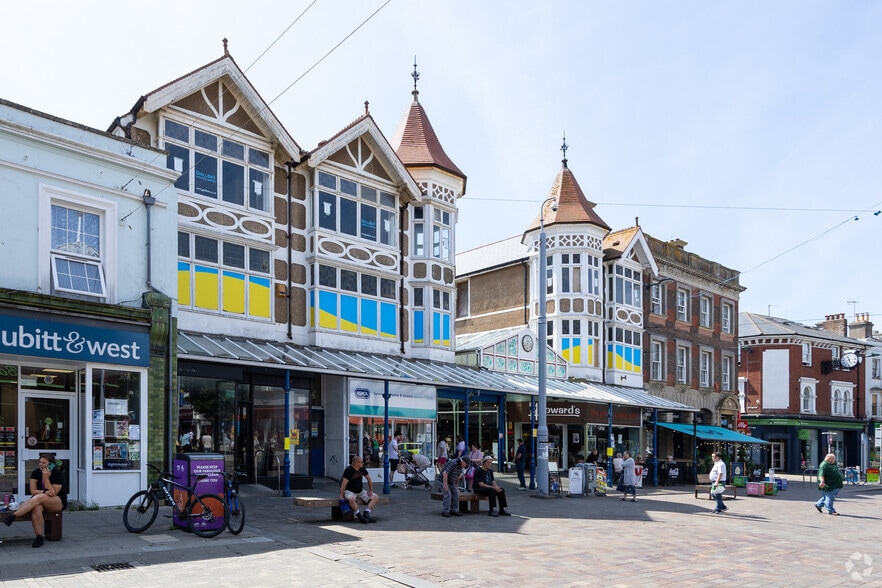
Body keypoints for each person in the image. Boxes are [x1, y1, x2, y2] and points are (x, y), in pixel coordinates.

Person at [2, 453, 66, 547]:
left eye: (44, 463)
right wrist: (44, 492)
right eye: (39, 462)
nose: (40, 464)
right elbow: (33, 491)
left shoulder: (58, 474)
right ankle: (38, 537)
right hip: (41, 499)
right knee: (37, 507)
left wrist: (46, 478)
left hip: (57, 502)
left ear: (51, 464)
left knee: (39, 497)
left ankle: (14, 515)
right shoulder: (36, 472)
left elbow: (53, 493)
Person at [340, 455, 379, 524]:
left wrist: (371, 490)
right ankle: (359, 515)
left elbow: (368, 478)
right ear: (356, 463)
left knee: (375, 497)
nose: (362, 463)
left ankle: (366, 513)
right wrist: (341, 495)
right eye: (361, 462)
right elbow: (344, 483)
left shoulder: (362, 469)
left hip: (360, 491)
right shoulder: (348, 470)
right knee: (351, 499)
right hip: (350, 491)